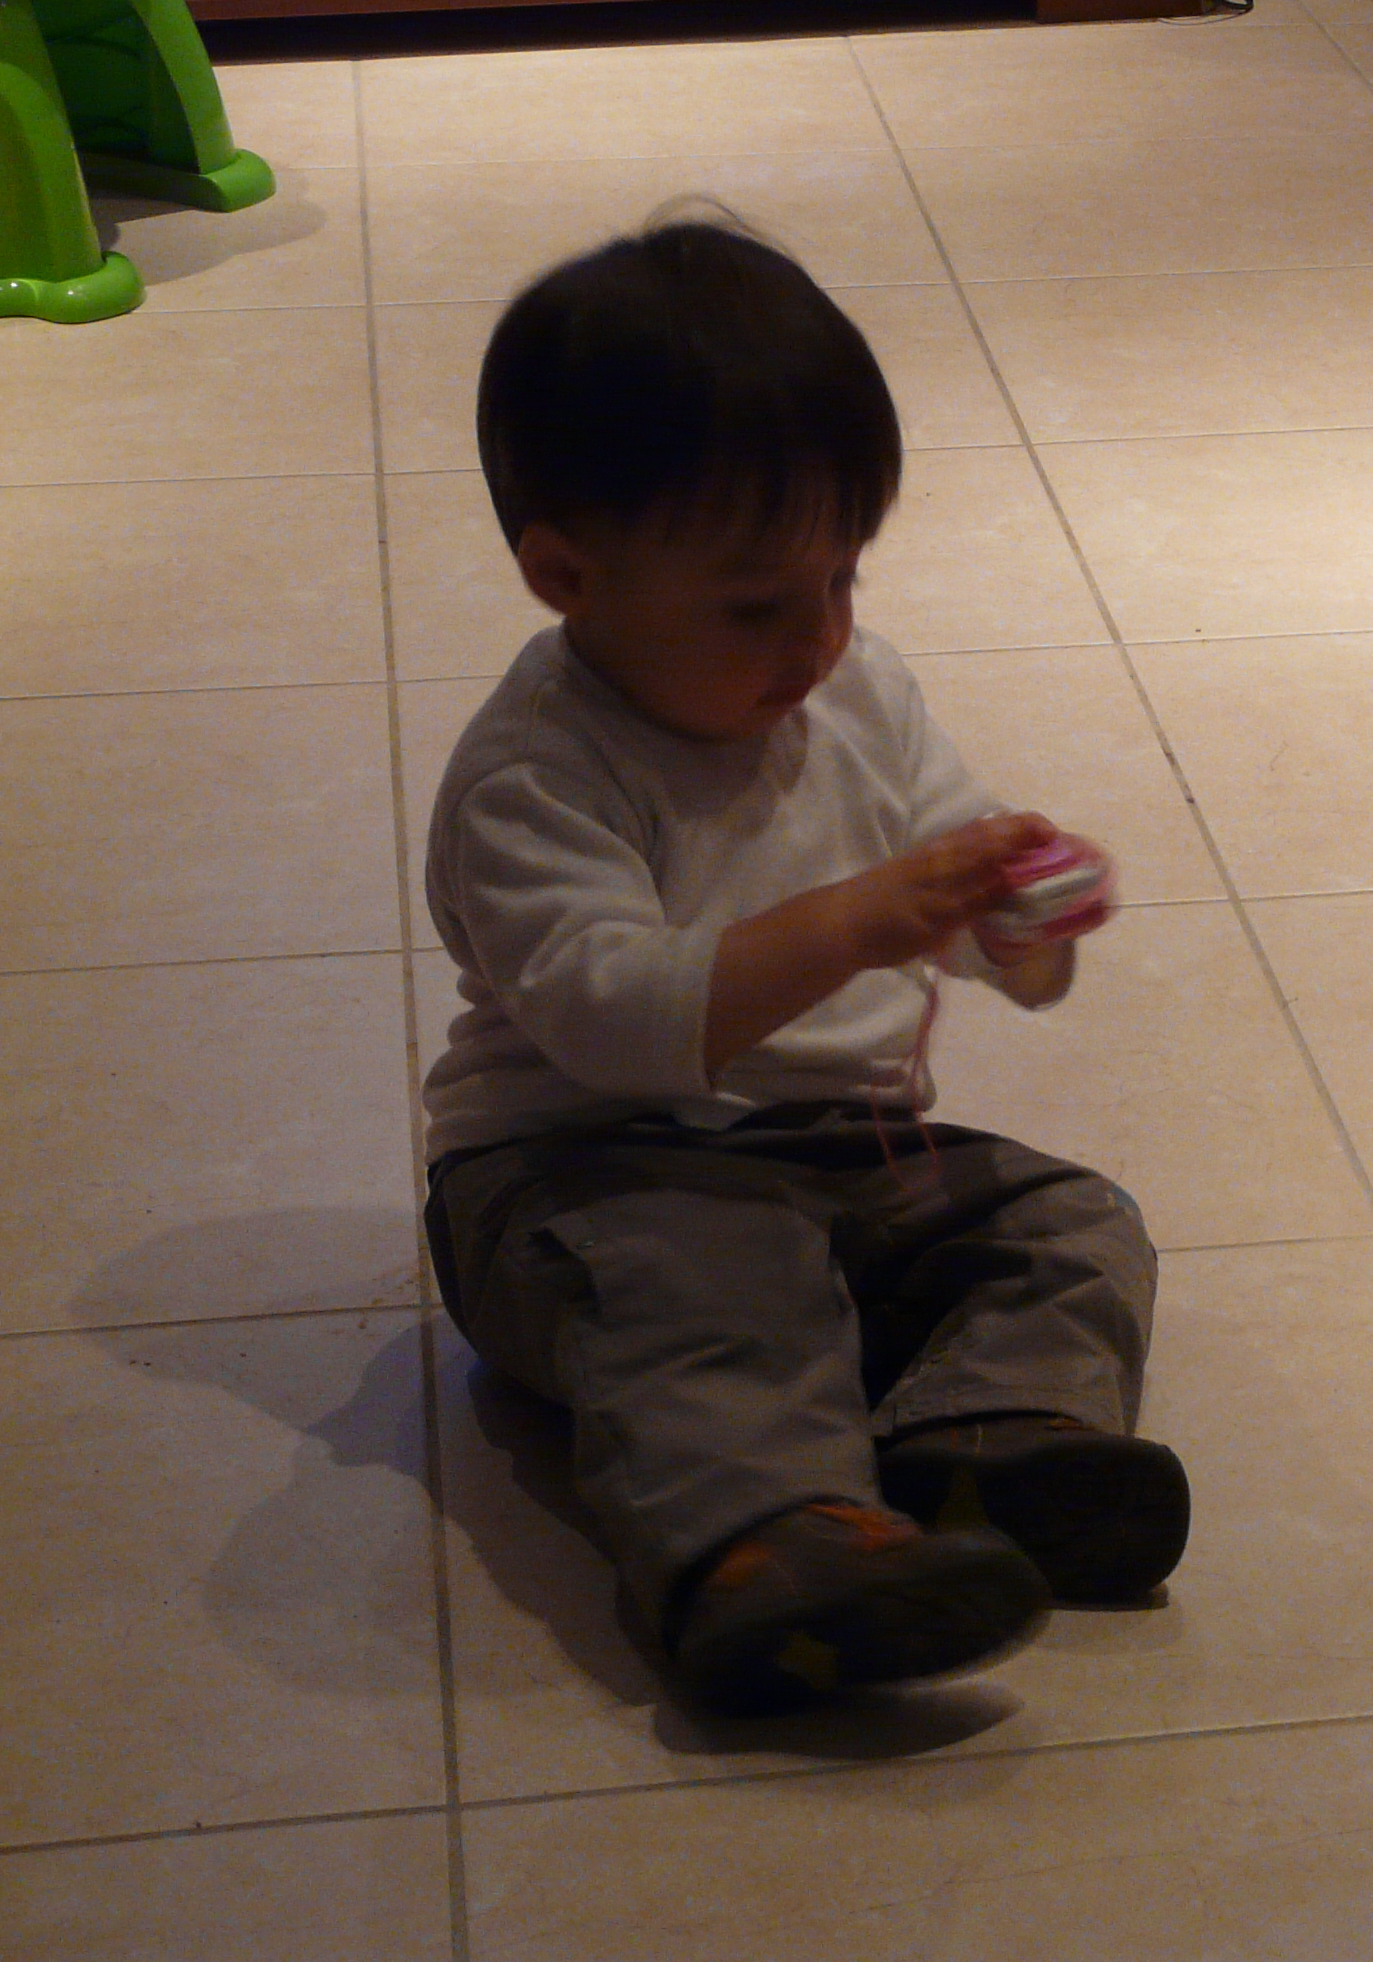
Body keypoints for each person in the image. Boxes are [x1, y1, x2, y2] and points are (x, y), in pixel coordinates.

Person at [419, 217, 1186, 1715]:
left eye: (844, 577)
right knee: (711, 1288)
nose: (821, 636)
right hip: (577, 1180)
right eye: (757, 605)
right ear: (566, 575)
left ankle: (986, 1444)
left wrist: (1016, 920)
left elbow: (948, 883)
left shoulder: (856, 692)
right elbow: (615, 1021)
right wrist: (864, 917)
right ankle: (766, 1546)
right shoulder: (534, 777)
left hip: (835, 1151)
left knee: (1070, 1221)